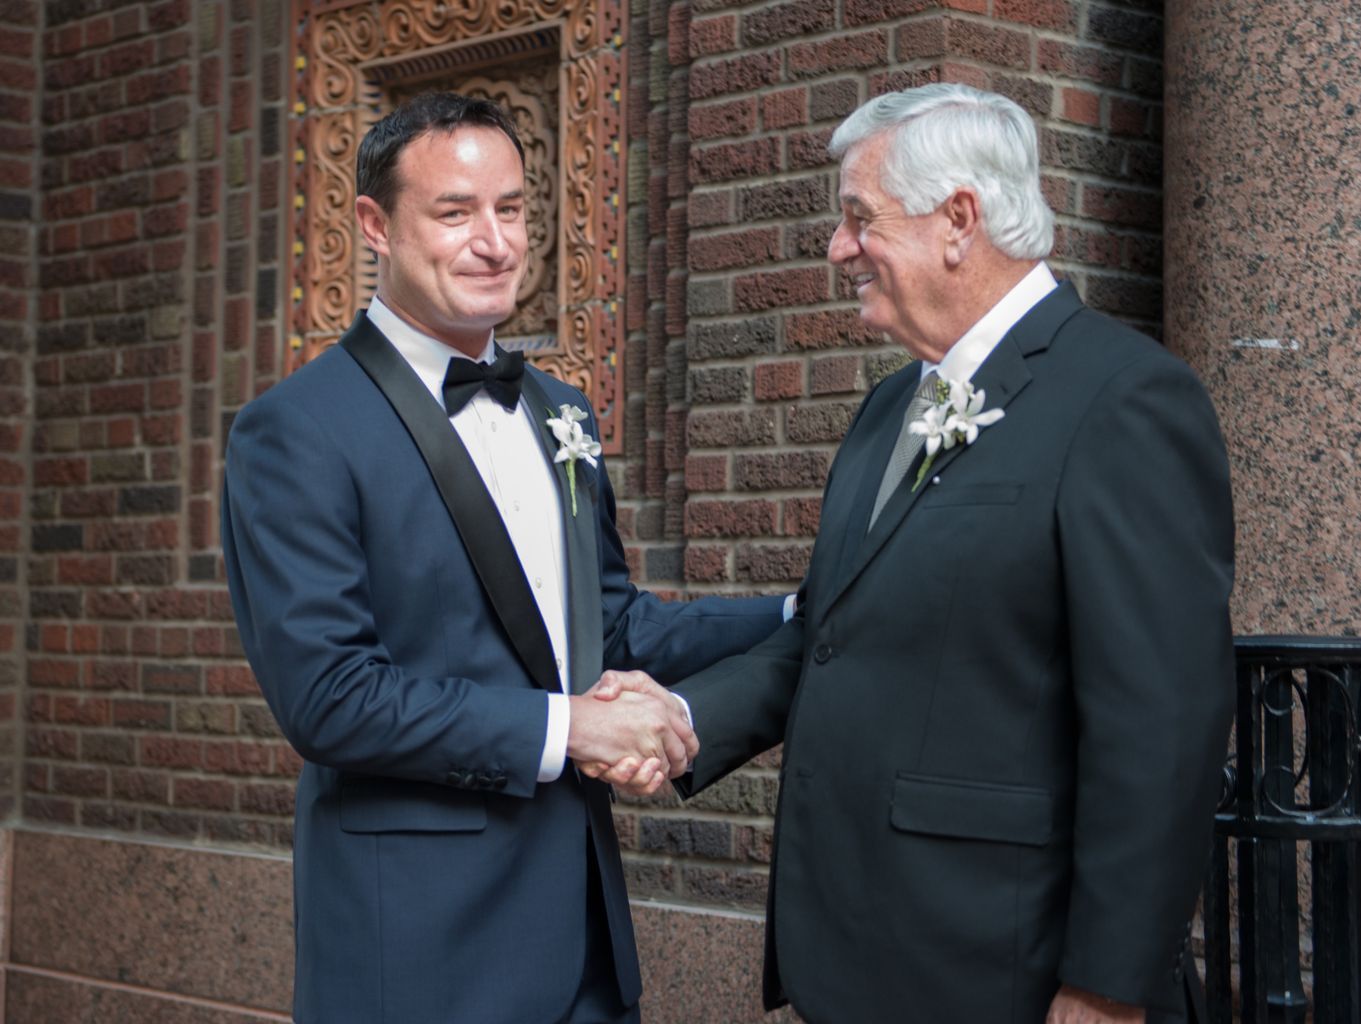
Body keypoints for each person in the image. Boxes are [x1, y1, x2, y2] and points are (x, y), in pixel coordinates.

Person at [593, 84, 1235, 1024]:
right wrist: (684, 715)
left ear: (957, 220)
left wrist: (1104, 986)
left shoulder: (1126, 401)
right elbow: (830, 630)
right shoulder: (886, 411)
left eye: (858, 218)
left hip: (1005, 963)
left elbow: (1162, 725)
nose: (836, 246)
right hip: (859, 951)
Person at [220, 92, 786, 1024]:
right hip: (417, 948)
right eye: (454, 213)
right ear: (374, 224)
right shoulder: (294, 431)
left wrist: (801, 613)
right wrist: (569, 730)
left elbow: (609, 625)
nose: (495, 242)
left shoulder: (560, 411)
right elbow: (330, 699)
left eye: (512, 209)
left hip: (586, 940)